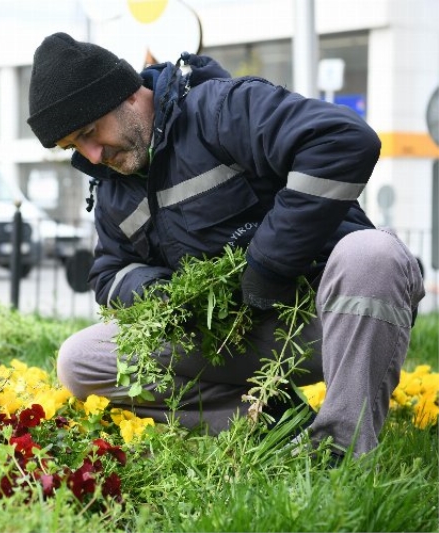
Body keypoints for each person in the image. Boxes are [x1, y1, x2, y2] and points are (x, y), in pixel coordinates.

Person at [26, 32, 425, 459]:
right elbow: (110, 273)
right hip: (229, 339)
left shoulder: (220, 109)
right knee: (81, 359)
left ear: (123, 95)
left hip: (327, 321)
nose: (91, 155)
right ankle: (274, 421)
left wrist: (270, 263)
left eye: (90, 132)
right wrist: (162, 293)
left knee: (373, 254)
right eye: (73, 147)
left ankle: (341, 451)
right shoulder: (112, 189)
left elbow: (344, 142)